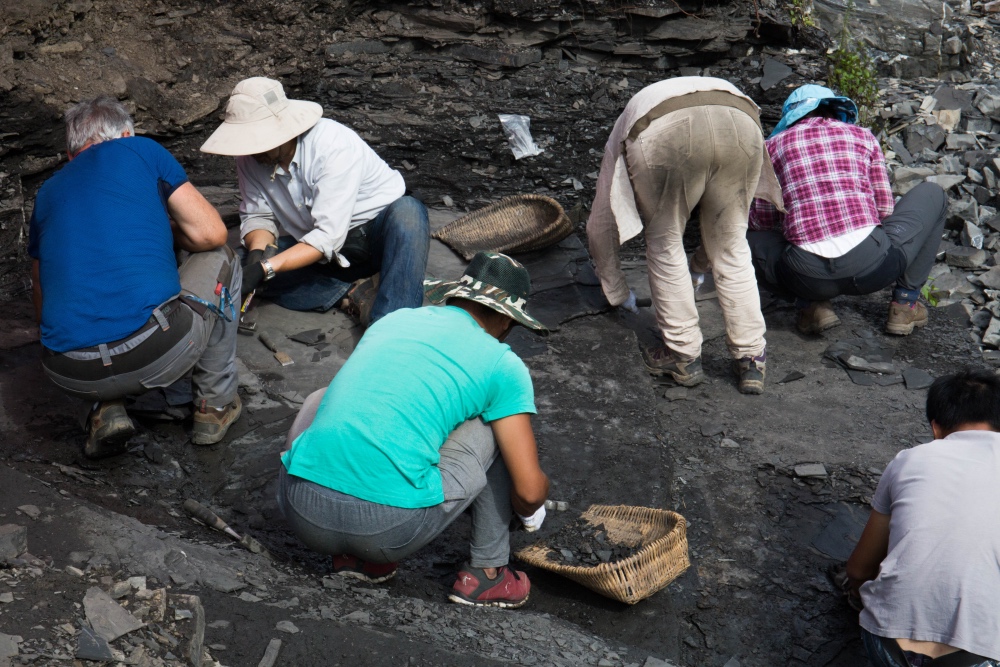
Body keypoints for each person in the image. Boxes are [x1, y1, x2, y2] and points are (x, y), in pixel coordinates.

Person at [277, 252, 550, 608]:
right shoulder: (502, 363)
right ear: (505, 320)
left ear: (454, 296)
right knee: (495, 424)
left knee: (322, 397)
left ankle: (360, 559)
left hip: (301, 510)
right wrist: (531, 508)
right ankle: (488, 573)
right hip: (387, 527)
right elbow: (529, 492)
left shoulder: (394, 321)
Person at [29, 96, 242, 459]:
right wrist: (160, 225)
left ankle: (103, 408)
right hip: (155, 352)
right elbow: (211, 234)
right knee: (222, 256)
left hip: (70, 372)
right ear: (126, 133)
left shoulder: (46, 193)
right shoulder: (141, 150)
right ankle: (215, 405)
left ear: (70, 155)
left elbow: (41, 298)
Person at [587, 76, 784, 395]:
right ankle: (751, 358)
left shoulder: (624, 123)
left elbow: (601, 222)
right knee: (732, 245)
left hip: (664, 127)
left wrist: (618, 293)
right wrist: (698, 267)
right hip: (741, 117)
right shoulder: (702, 87)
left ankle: (683, 355)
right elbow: (718, 236)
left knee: (665, 242)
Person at [200, 77, 429, 324]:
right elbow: (259, 216)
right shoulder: (250, 158)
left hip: (374, 240)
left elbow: (328, 236)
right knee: (234, 269)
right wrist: (257, 258)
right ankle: (352, 294)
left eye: (258, 142)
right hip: (320, 253)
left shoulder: (332, 144)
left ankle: (391, 324)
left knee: (409, 214)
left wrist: (267, 268)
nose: (253, 151)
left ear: (283, 130)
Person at [747, 84, 948, 336]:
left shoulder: (772, 147)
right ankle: (905, 304)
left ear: (792, 117)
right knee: (934, 194)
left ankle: (812, 306)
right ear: (835, 110)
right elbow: (884, 208)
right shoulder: (862, 136)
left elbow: (763, 221)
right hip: (874, 270)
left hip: (808, 278)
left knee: (749, 236)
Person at [846, 369, 1000, 667]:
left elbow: (858, 570)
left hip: (891, 644)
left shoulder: (909, 459)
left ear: (936, 428)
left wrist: (858, 597)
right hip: (979, 655)